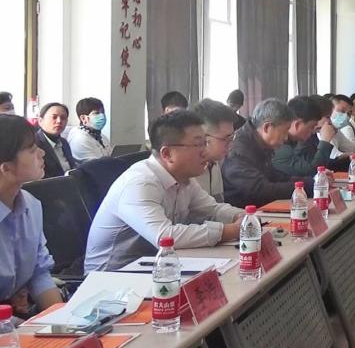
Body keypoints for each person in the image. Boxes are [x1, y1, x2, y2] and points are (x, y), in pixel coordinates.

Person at [84, 111, 244, 271]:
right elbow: (165, 236)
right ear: (167, 154)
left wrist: (244, 217)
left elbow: (213, 210)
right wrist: (231, 230)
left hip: (156, 267)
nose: (205, 152)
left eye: (205, 144)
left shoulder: (184, 179)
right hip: (111, 277)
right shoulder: (140, 182)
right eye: (197, 145)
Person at [0, 115, 62, 315]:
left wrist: (62, 320)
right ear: (6, 168)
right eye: (32, 150)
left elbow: (39, 273)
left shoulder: (31, 205)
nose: (42, 153)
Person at [222, 99, 310, 208]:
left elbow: (274, 176)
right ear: (267, 127)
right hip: (244, 213)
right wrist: (304, 187)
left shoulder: (259, 142)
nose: (286, 138)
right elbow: (260, 191)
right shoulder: (238, 149)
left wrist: (310, 182)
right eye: (284, 131)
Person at [272, 96, 339, 177]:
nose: (313, 131)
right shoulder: (279, 146)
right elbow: (310, 172)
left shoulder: (296, 140)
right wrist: (325, 141)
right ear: (297, 125)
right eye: (311, 127)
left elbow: (313, 165)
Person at [189, 99, 238, 202]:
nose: (231, 145)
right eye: (226, 139)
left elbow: (217, 207)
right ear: (203, 138)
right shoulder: (186, 173)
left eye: (232, 138)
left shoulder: (214, 163)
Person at [34, 102, 77, 178]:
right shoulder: (34, 144)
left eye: (63, 118)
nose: (59, 121)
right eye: (54, 117)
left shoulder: (64, 142)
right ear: (40, 121)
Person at [67, 97, 111, 163]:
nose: (102, 116)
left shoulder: (101, 136)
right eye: (96, 113)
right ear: (83, 118)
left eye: (103, 112)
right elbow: (95, 165)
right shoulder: (79, 139)